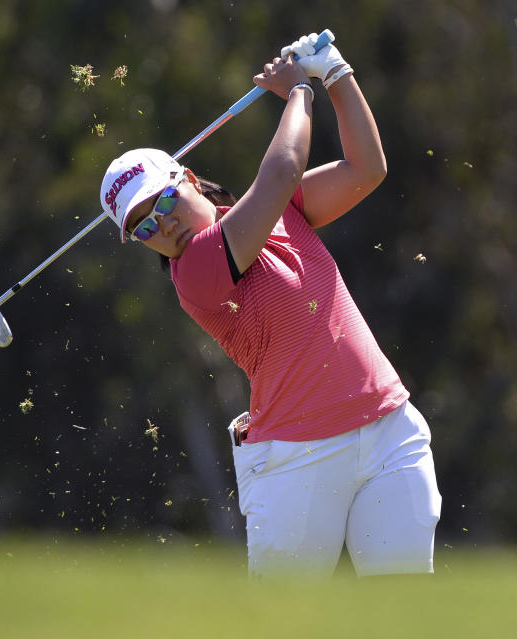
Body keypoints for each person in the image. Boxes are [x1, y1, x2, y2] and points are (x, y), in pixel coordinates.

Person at [99, 34, 441, 579]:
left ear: (187, 178)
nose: (161, 223)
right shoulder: (197, 272)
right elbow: (280, 171)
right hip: (297, 461)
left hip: (387, 433)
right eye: (142, 226)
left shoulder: (278, 213)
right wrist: (299, 93)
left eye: (163, 201)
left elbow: (366, 168)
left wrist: (335, 72)